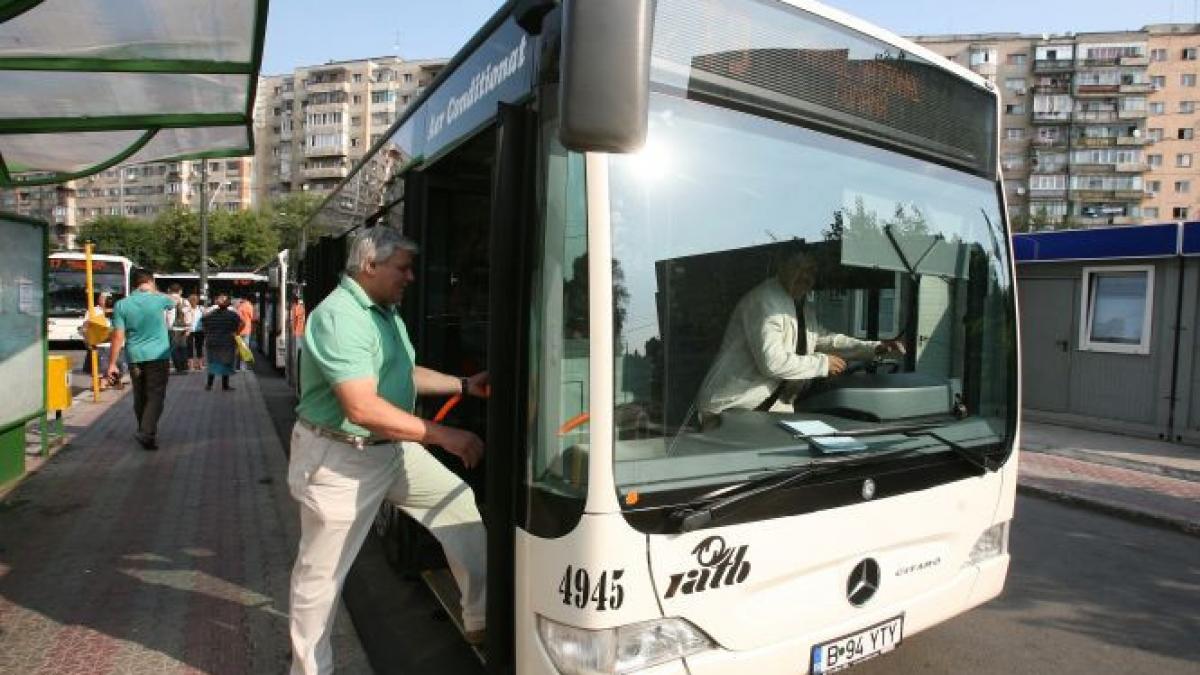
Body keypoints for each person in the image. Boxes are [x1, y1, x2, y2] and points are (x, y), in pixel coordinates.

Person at [288, 227, 488, 674]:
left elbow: (402, 372)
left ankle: (480, 619)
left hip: (389, 450)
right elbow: (360, 406)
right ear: (369, 266)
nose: (411, 277)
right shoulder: (341, 316)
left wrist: (463, 386)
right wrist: (443, 435)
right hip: (339, 458)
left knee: (458, 508)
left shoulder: (383, 313)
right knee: (320, 579)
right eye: (403, 268)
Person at [695, 251, 905, 419]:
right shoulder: (765, 301)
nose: (806, 276)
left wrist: (874, 348)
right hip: (731, 411)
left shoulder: (801, 306)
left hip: (767, 412)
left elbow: (824, 340)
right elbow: (772, 363)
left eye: (811, 271)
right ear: (781, 267)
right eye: (799, 268)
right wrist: (822, 365)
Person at [106, 269, 176, 450]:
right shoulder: (160, 299)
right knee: (156, 395)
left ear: (133, 284)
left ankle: (146, 433)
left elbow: (118, 336)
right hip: (158, 356)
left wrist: (112, 364)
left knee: (140, 395)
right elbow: (174, 300)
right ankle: (146, 432)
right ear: (151, 282)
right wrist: (153, 291)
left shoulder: (122, 305)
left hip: (135, 357)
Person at [201, 294, 240, 391]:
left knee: (212, 362)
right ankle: (225, 385)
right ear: (228, 305)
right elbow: (241, 323)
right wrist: (235, 332)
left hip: (212, 342)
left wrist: (208, 333)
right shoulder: (232, 315)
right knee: (226, 363)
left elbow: (203, 322)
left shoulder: (210, 315)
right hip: (227, 342)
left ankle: (209, 385)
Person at [166, 283, 194, 374]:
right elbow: (189, 315)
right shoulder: (185, 301)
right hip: (183, 328)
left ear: (169, 290)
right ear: (180, 291)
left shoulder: (167, 300)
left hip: (172, 328)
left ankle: (178, 368)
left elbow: (164, 315)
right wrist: (189, 327)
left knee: (174, 349)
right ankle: (184, 367)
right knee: (183, 348)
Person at [236, 295, 256, 369]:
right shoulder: (249, 306)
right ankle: (242, 367)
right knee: (245, 349)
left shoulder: (239, 306)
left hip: (239, 330)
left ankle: (238, 366)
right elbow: (252, 317)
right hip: (246, 330)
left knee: (239, 348)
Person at [186, 294, 205, 371]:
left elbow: (205, 317)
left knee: (199, 347)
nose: (194, 301)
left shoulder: (201, 308)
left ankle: (199, 365)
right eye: (192, 300)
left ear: (197, 301)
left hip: (199, 330)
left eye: (195, 300)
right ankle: (191, 365)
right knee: (190, 347)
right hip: (189, 330)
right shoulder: (186, 309)